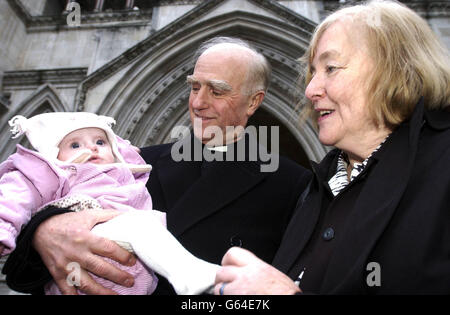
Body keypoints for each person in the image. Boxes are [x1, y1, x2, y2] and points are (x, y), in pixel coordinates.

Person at [2, 37, 312, 295]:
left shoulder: (292, 183)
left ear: (253, 102)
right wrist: (44, 233)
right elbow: (19, 273)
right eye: (194, 87)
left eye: (216, 91)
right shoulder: (135, 164)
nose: (198, 103)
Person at [214, 0, 450, 295]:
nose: (310, 89)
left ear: (396, 68)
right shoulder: (317, 189)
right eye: (313, 72)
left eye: (331, 68)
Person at [0, 112, 219, 295]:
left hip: (127, 280)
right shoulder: (54, 172)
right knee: (141, 225)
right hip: (89, 242)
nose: (92, 148)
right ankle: (192, 277)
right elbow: (12, 197)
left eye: (100, 142)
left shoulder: (125, 172)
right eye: (75, 144)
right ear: (54, 155)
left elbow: (126, 152)